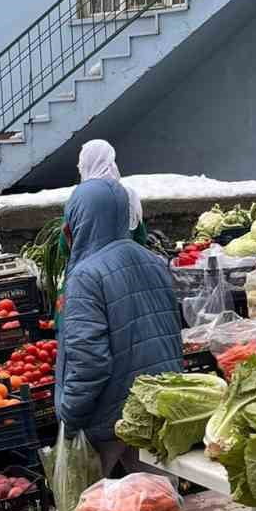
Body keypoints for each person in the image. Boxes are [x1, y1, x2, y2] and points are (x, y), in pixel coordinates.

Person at [54, 176, 181, 478]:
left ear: (79, 219)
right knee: (157, 509)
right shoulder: (154, 261)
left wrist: (70, 419)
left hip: (108, 419)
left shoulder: (86, 276)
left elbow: (89, 362)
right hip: (154, 410)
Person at [74, 138, 147, 244]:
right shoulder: (128, 195)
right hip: (124, 258)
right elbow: (140, 238)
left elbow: (65, 245)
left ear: (84, 164)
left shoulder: (78, 198)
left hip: (88, 260)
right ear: (111, 162)